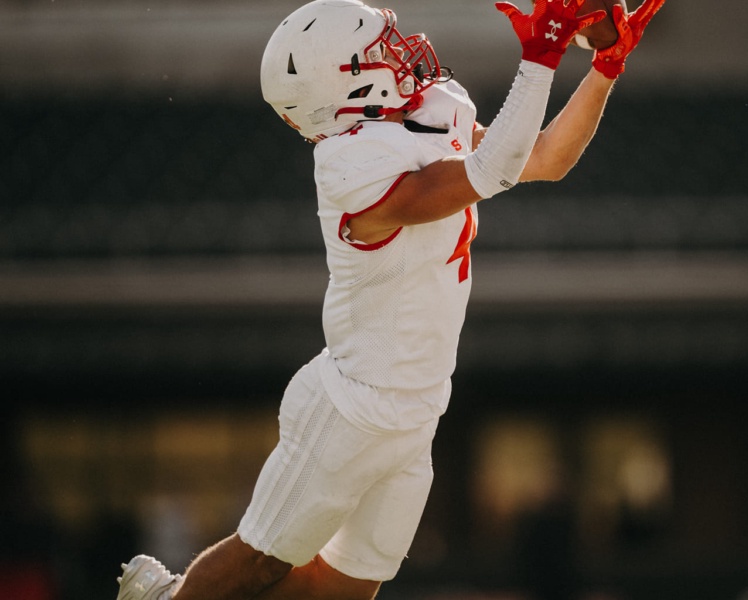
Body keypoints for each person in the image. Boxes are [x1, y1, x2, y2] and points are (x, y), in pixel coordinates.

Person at [114, 0, 666, 598]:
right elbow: (490, 171)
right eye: (381, 48)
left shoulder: (417, 117)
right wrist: (540, 58)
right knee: (263, 559)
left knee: (344, 588)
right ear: (347, 84)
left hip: (417, 406)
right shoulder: (350, 167)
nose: (402, 50)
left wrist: (605, 69)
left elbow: (543, 159)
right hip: (356, 404)